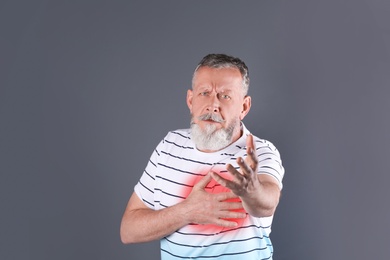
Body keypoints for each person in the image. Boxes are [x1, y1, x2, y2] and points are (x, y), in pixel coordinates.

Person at [120, 54, 285, 259]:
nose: (212, 105)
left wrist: (252, 190)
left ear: (244, 107)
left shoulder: (258, 152)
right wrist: (186, 211)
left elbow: (267, 203)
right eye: (205, 93)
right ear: (190, 100)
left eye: (225, 96)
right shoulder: (169, 145)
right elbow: (128, 231)